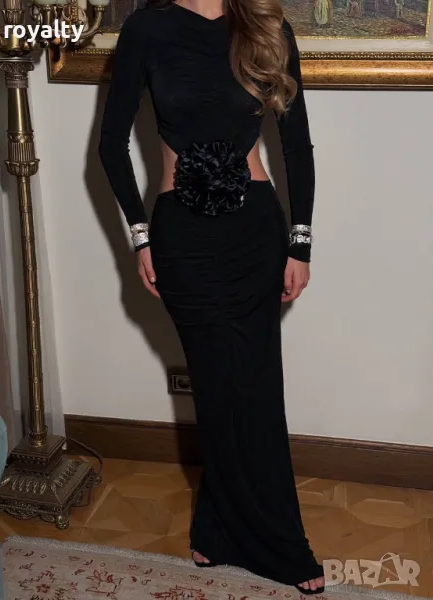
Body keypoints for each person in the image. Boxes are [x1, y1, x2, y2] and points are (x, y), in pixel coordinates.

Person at [98, 0, 325, 594]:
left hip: (255, 234)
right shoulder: (146, 29)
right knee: (216, 388)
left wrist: (300, 243)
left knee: (257, 387)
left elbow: (296, 145)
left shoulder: (265, 27)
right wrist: (141, 236)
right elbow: (110, 144)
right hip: (183, 240)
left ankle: (280, 543)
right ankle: (217, 528)